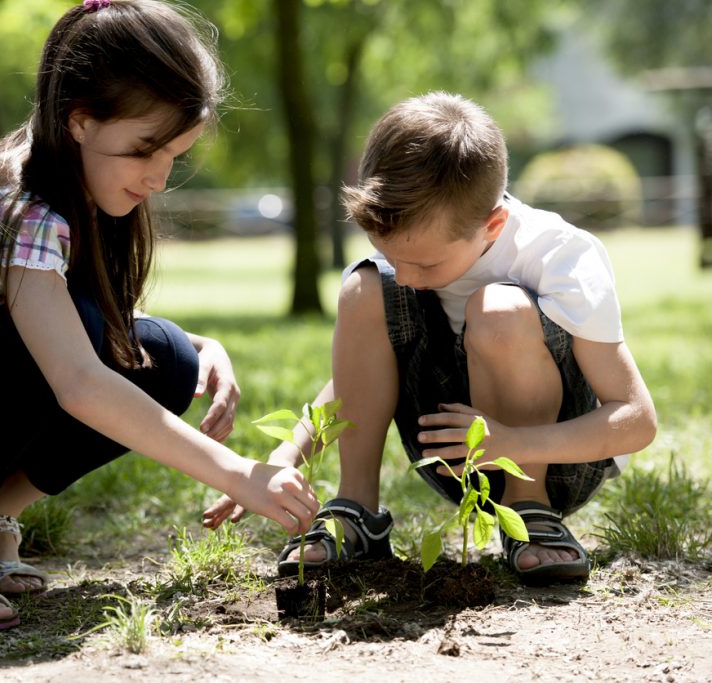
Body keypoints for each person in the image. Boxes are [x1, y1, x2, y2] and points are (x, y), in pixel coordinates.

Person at [0, 0, 319, 634]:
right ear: (79, 122)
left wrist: (198, 345)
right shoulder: (20, 207)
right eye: (143, 150)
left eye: (173, 153)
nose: (157, 176)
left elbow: (86, 326)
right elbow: (75, 377)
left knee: (168, 357)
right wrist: (239, 474)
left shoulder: (71, 190)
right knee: (71, 351)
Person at [203, 91, 657, 586]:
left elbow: (636, 420)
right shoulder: (412, 257)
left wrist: (513, 442)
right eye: (394, 254)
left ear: (494, 225)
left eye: (426, 263)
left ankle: (530, 512)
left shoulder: (561, 257)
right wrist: (286, 455)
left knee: (497, 307)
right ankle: (358, 508)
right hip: (451, 448)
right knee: (365, 286)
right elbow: (355, 381)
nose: (410, 277)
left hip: (556, 456)